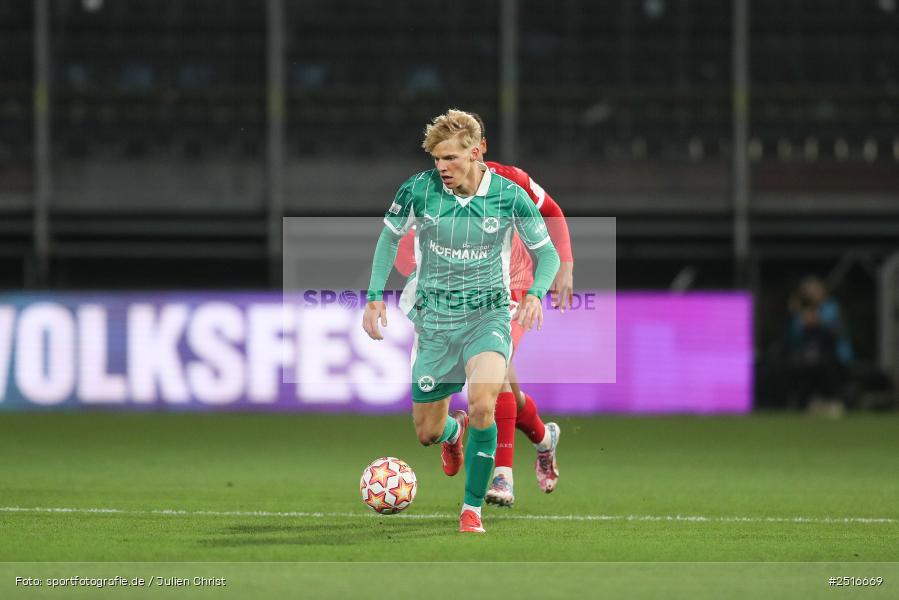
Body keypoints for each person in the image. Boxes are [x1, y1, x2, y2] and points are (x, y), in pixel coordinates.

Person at [363, 109, 560, 533]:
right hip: (434, 322)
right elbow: (389, 238)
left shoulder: (509, 196)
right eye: (437, 159)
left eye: (450, 158)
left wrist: (535, 294)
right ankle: (454, 433)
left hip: (488, 316)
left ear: (475, 153)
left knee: (484, 403)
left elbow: (548, 254)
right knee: (426, 432)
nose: (442, 167)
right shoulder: (418, 190)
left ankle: (472, 509)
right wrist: (375, 296)